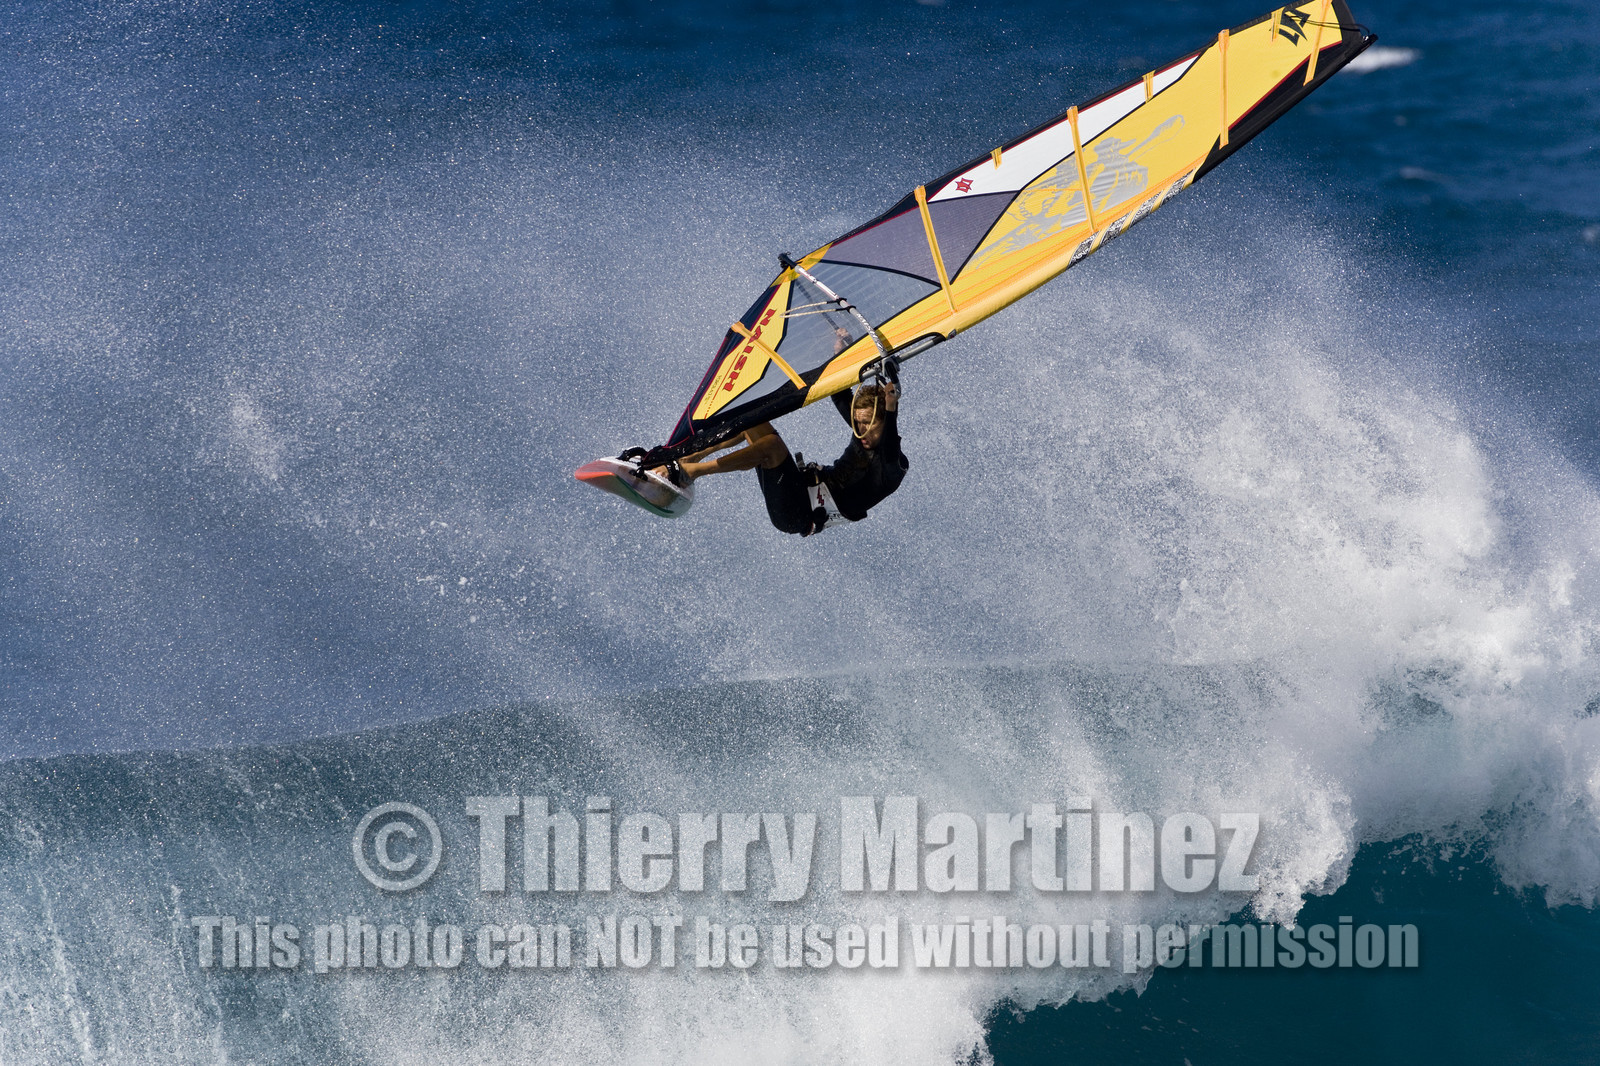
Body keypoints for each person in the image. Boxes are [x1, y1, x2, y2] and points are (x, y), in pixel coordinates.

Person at [668, 379, 908, 536]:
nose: (861, 429)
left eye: (868, 423)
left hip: (799, 514)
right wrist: (841, 346)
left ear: (885, 422)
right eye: (857, 422)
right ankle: (688, 459)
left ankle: (690, 474)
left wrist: (890, 407)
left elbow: (889, 445)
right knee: (752, 419)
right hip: (798, 487)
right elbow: (839, 395)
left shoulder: (892, 467)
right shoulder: (863, 434)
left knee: (772, 446)